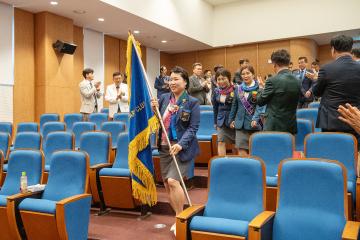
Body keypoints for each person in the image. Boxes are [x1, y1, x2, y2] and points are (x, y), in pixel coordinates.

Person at [151, 66, 200, 235]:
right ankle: (178, 216)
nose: (172, 82)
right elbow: (160, 122)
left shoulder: (192, 102)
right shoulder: (164, 98)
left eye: (176, 79)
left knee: (173, 181)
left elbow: (193, 128)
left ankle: (180, 218)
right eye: (170, 79)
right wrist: (155, 111)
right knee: (166, 183)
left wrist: (181, 144)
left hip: (181, 148)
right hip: (164, 147)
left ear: (185, 82)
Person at [310, 35, 360, 136]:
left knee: (330, 150)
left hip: (331, 120)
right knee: (353, 149)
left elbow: (317, 92)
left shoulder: (327, 68)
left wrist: (315, 80)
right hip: (355, 119)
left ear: (333, 49)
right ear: (350, 49)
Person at [256, 49, 301, 134]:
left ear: (275, 64)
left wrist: (261, 87)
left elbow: (260, 101)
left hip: (274, 127)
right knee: (288, 147)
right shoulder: (297, 80)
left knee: (272, 147)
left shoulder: (272, 80)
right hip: (291, 125)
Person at [229, 65, 265, 156]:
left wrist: (255, 119)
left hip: (254, 123)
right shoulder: (238, 88)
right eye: (243, 74)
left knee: (255, 151)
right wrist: (231, 119)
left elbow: (260, 105)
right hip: (240, 123)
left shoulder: (259, 88)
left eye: (248, 73)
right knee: (241, 149)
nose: (245, 76)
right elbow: (234, 106)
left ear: (253, 75)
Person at [212, 69, 235, 156]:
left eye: (223, 78)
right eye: (219, 79)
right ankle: (222, 164)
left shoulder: (235, 90)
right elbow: (215, 108)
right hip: (221, 120)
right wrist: (215, 122)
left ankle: (237, 164)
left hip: (233, 120)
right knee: (220, 142)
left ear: (229, 78)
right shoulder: (216, 91)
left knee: (235, 144)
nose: (221, 81)